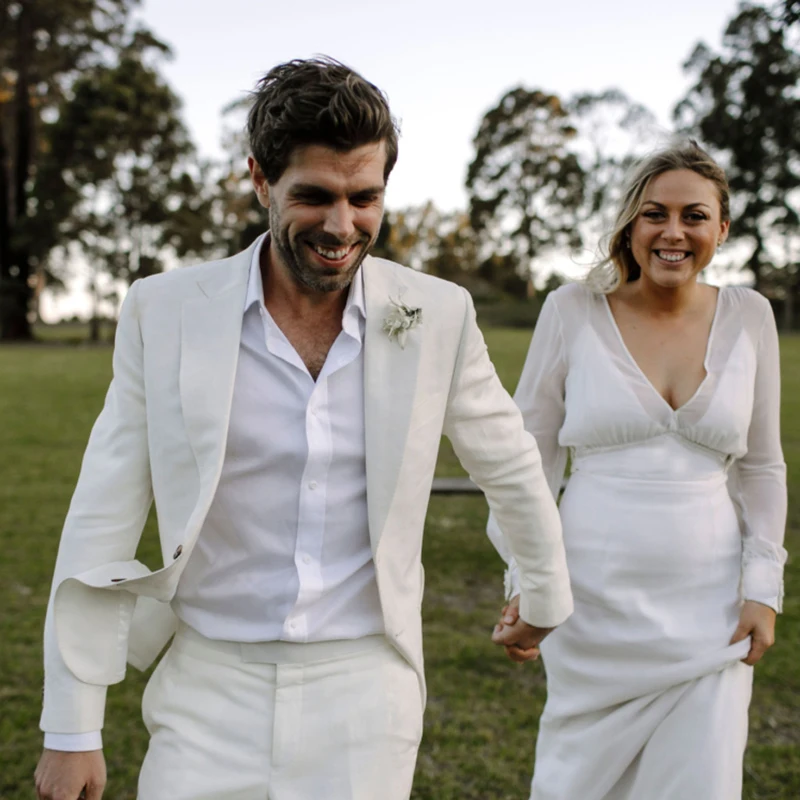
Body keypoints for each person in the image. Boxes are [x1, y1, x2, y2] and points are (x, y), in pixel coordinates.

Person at [34, 57, 573, 800]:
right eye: (314, 196)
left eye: (366, 198)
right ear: (259, 179)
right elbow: (103, 511)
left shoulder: (438, 313)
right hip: (204, 682)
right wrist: (71, 729)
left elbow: (508, 463)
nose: (343, 226)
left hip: (366, 687)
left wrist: (541, 594)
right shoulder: (164, 311)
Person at [489, 141, 787, 799]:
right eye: (655, 214)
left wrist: (763, 586)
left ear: (722, 228)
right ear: (631, 225)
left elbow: (763, 465)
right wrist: (529, 578)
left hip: (712, 616)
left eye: (694, 216)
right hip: (592, 608)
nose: (673, 232)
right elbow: (526, 456)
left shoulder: (752, 316)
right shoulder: (571, 311)